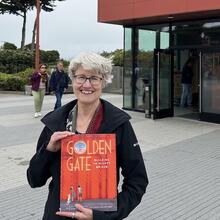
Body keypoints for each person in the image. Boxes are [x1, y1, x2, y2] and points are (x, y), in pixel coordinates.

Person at [27, 52, 148, 220]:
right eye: (81, 77)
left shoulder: (119, 124)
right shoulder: (56, 123)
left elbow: (137, 181)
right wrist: (48, 150)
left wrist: (104, 215)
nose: (87, 84)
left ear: (103, 82)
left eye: (94, 78)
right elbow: (34, 180)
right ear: (73, 80)